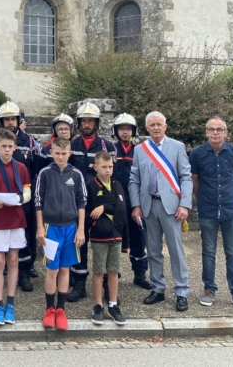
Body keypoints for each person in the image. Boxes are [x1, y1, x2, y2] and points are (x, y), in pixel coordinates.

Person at [128, 111, 193, 312]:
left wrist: (184, 204)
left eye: (159, 124)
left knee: (176, 251)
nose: (156, 128)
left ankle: (181, 292)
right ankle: (158, 288)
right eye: (152, 125)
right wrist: (136, 205)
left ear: (165, 126)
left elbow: (186, 177)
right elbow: (134, 179)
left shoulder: (177, 147)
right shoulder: (140, 149)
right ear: (146, 128)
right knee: (153, 251)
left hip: (172, 207)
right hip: (149, 206)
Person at [189, 117, 233, 311]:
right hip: (208, 211)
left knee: (232, 253)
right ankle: (209, 290)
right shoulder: (197, 154)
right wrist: (206, 200)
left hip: (231, 211)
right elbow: (194, 182)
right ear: (206, 132)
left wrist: (230, 198)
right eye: (211, 129)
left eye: (219, 129)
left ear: (225, 133)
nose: (215, 133)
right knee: (208, 252)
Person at [0, 101, 39, 292]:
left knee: (23, 240)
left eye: (13, 119)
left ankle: (23, 272)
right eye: (6, 119)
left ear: (18, 120)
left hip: (21, 202)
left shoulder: (30, 141)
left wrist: (26, 197)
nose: (10, 122)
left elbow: (35, 169)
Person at [67, 101, 118, 303]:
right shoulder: (71, 146)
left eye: (91, 121)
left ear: (97, 123)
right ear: (79, 123)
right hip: (78, 204)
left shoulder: (109, 146)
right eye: (84, 121)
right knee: (78, 243)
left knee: (104, 244)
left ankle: (107, 286)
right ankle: (79, 284)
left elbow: (114, 179)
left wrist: (109, 204)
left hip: (102, 205)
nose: (87, 124)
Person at [0, 129, 31, 325]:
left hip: (16, 219)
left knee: (13, 260)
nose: (7, 150)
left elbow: (27, 192)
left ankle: (10, 304)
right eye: (4, 147)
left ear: (15, 148)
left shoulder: (22, 168)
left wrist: (18, 199)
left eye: (11, 147)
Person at [35, 137, 86, 331]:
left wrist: (80, 228)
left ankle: (61, 310)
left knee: (65, 269)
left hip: (71, 228)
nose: (60, 157)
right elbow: (38, 201)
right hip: (51, 228)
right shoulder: (45, 173)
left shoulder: (77, 174)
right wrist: (40, 227)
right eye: (57, 153)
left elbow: (82, 202)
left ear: (70, 154)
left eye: (64, 153)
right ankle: (49, 309)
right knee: (52, 270)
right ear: (51, 152)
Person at [111, 113, 152, 290]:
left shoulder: (140, 151)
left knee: (138, 239)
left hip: (135, 204)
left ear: (133, 131)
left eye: (128, 129)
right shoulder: (110, 150)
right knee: (114, 241)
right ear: (116, 131)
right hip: (115, 205)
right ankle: (112, 275)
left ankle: (140, 274)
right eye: (122, 129)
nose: (125, 132)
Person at [86, 152, 127, 325]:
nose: (108, 170)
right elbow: (89, 209)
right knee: (98, 271)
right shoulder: (90, 185)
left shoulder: (117, 185)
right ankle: (98, 305)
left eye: (110, 166)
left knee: (114, 271)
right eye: (104, 167)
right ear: (96, 167)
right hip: (99, 236)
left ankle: (113, 303)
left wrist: (105, 206)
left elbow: (122, 208)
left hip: (116, 235)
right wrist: (108, 206)